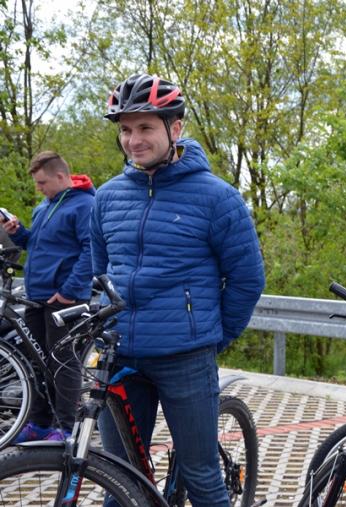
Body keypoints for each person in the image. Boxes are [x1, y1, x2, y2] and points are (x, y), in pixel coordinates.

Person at [92, 73, 266, 507]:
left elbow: (247, 279)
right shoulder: (107, 197)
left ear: (175, 128)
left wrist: (211, 337)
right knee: (118, 478)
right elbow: (98, 274)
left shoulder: (217, 198)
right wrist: (100, 326)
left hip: (184, 357)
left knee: (202, 477)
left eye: (145, 127)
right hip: (119, 356)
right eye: (125, 130)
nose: (133, 140)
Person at [1, 151, 95, 442]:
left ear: (60, 176)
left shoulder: (85, 205)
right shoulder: (45, 206)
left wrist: (69, 291)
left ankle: (66, 429)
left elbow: (92, 250)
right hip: (37, 297)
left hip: (64, 300)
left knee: (62, 362)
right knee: (35, 361)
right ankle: (40, 424)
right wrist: (18, 233)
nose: (38, 188)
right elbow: (37, 244)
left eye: (42, 182)